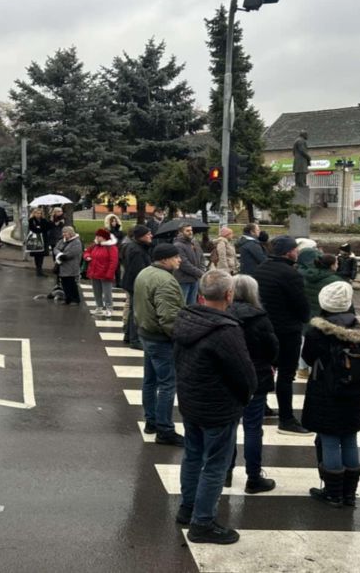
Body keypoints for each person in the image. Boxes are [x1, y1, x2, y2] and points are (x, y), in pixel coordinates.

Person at [174, 269, 257, 545]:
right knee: (215, 465)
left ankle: (188, 508)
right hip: (219, 407)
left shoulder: (186, 319)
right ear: (229, 295)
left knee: (193, 456)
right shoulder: (226, 330)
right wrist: (245, 397)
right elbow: (244, 374)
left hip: (191, 400)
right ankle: (203, 522)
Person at [301, 281, 360, 508]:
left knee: (330, 439)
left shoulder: (318, 331)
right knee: (350, 437)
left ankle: (333, 493)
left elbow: (307, 356)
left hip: (326, 391)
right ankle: (349, 493)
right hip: (355, 391)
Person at [254, 235, 312, 436]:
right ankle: (287, 419)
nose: (297, 252)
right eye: (295, 249)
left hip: (263, 327)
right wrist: (305, 318)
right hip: (287, 331)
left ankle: (262, 407)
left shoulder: (261, 268)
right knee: (286, 375)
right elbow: (301, 306)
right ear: (289, 252)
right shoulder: (290, 274)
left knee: (264, 368)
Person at [226, 275, 279, 494]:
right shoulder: (260, 318)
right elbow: (272, 348)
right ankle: (253, 476)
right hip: (256, 377)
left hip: (229, 377)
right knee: (253, 428)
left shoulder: (224, 314)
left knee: (228, 427)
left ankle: (225, 472)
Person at [134, 243, 186, 446]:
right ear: (164, 260)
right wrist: (180, 338)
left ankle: (151, 421)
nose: (179, 260)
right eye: (176, 257)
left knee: (150, 380)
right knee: (167, 384)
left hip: (146, 333)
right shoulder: (166, 281)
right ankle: (164, 429)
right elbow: (169, 318)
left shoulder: (145, 273)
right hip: (161, 339)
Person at [120, 225, 153, 349]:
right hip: (136, 284)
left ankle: (128, 336)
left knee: (133, 310)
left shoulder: (136, 247)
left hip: (131, 283)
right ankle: (135, 339)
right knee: (136, 312)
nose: (151, 236)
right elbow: (139, 271)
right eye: (148, 234)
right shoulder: (137, 250)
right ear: (141, 236)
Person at [84, 229, 119, 316]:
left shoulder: (111, 247)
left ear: (104, 238)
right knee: (96, 291)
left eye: (99, 236)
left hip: (105, 274)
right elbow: (87, 251)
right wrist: (87, 256)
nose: (97, 238)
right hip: (95, 272)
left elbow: (113, 261)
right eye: (97, 236)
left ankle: (109, 308)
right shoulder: (95, 245)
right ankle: (99, 307)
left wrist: (109, 274)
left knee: (107, 293)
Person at [302, 254, 345, 318]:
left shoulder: (306, 276)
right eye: (337, 263)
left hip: (307, 314)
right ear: (332, 266)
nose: (337, 266)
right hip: (325, 318)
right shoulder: (337, 281)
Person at [173, 224, 205, 305]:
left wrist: (202, 270)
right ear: (180, 232)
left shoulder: (194, 242)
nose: (190, 232)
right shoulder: (178, 245)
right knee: (183, 304)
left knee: (192, 305)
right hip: (183, 280)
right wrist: (200, 273)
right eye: (187, 230)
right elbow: (184, 264)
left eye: (191, 230)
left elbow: (202, 257)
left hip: (195, 279)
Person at [54, 226, 84, 305]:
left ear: (71, 233)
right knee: (64, 283)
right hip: (62, 266)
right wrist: (59, 254)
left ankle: (75, 299)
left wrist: (63, 256)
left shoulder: (77, 242)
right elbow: (55, 249)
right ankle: (68, 299)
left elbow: (73, 253)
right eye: (63, 232)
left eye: (66, 232)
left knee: (71, 284)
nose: (64, 234)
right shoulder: (62, 241)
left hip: (71, 266)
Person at [27, 208, 51, 276]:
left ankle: (40, 270)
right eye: (37, 213)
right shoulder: (31, 220)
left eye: (40, 213)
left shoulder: (43, 220)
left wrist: (41, 228)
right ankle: (38, 269)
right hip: (36, 240)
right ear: (34, 213)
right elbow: (33, 229)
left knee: (41, 255)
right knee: (37, 255)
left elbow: (47, 227)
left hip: (43, 239)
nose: (39, 215)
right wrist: (41, 229)